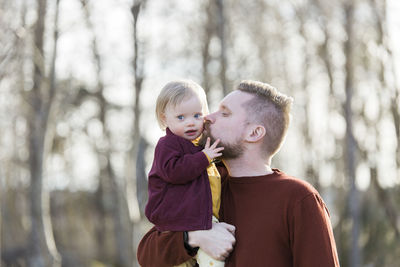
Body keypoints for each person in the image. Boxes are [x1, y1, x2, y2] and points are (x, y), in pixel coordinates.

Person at [137, 80, 340, 267]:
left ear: (254, 133)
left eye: (224, 113)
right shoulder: (203, 183)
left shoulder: (299, 198)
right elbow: (147, 254)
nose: (207, 117)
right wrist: (194, 238)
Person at [145, 80, 228, 267]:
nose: (190, 123)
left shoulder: (199, 146)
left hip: (200, 219)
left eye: (197, 115)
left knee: (211, 257)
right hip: (179, 222)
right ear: (164, 118)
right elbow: (173, 171)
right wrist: (204, 158)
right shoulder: (168, 144)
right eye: (181, 117)